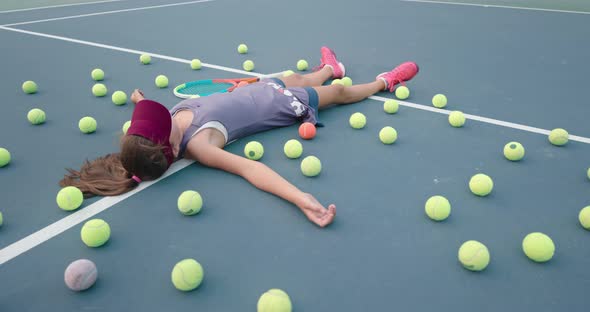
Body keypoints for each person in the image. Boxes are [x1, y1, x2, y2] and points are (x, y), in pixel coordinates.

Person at [60, 47, 418, 227]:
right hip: (283, 106)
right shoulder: (201, 145)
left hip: (265, 87)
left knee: (305, 76)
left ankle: (329, 68)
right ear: (168, 147)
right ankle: (384, 82)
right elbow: (250, 169)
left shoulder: (165, 125)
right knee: (338, 94)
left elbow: (148, 117)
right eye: (157, 119)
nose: (160, 112)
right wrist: (300, 197)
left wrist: (140, 101)